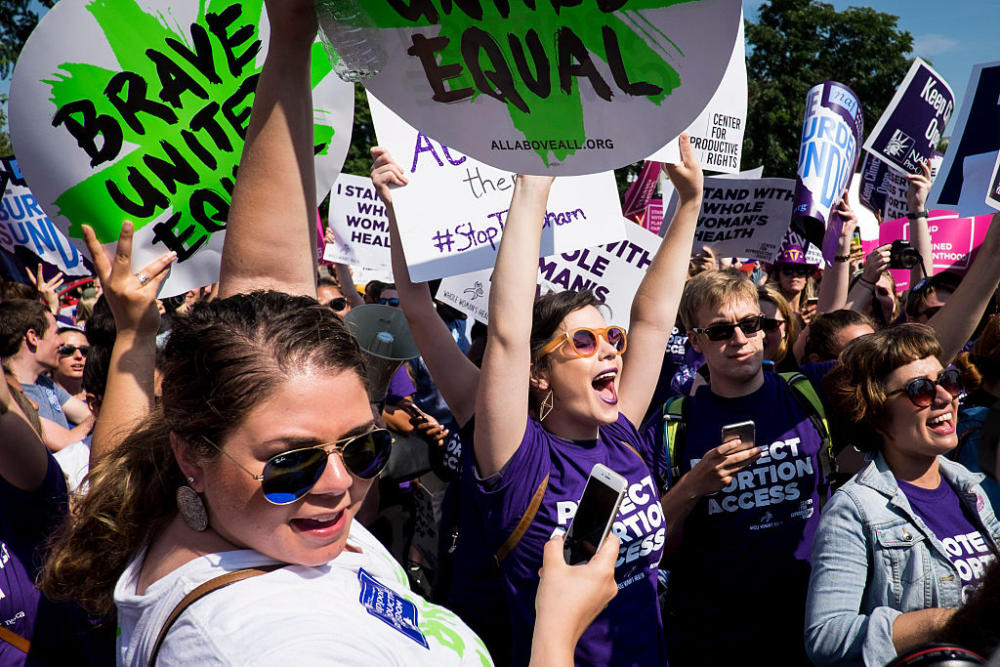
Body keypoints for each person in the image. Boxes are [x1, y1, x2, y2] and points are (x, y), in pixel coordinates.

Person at [41, 4, 622, 664]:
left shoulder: (181, 509)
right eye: (291, 462)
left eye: (365, 446)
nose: (339, 483)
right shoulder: (253, 646)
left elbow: (263, 269)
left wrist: (289, 42)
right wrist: (556, 624)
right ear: (191, 455)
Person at [467, 135, 702, 664]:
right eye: (583, 342)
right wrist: (531, 188)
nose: (611, 353)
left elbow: (652, 318)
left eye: (611, 339)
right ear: (539, 373)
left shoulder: (620, 430)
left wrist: (688, 205)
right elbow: (508, 332)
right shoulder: (520, 462)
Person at [651, 267, 832, 665]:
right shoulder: (675, 424)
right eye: (720, 331)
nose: (740, 340)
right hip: (713, 640)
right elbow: (642, 541)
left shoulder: (809, 390)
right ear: (696, 341)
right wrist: (693, 485)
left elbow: (919, 355)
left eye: (751, 324)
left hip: (810, 628)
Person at [805, 323, 1000, 666]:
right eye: (920, 390)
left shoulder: (973, 487)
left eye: (948, 381)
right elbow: (827, 636)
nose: (944, 397)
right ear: (876, 414)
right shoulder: (854, 509)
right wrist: (946, 621)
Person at [0, 298, 93, 450]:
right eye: (56, 333)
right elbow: (65, 441)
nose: (61, 343)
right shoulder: (8, 393)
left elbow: (86, 414)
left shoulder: (44, 383)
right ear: (33, 337)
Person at [767, 243, 818, 323]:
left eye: (800, 270)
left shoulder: (812, 314)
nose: (795, 274)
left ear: (806, 279)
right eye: (788, 270)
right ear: (778, 277)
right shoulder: (770, 314)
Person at [758, 283, 800, 372]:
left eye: (770, 324)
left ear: (786, 328)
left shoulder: (798, 370)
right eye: (751, 324)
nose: (760, 334)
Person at [53, 326, 89, 402]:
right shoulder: (41, 397)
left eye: (84, 350)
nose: (79, 356)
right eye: (68, 350)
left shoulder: (101, 397)